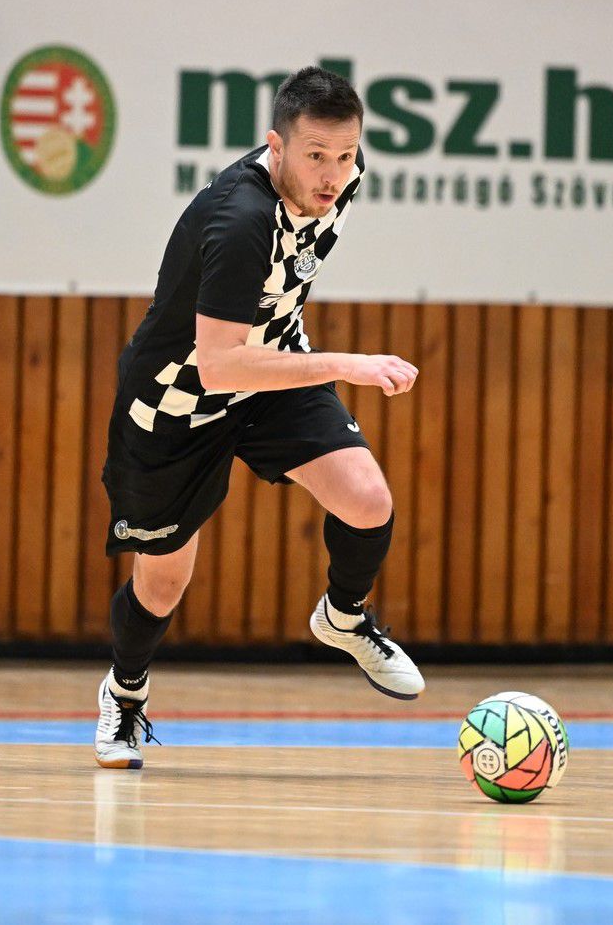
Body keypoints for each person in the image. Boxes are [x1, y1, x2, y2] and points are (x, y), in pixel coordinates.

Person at [93, 65, 424, 770]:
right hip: (179, 398)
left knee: (367, 501)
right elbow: (218, 365)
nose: (333, 174)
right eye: (314, 157)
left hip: (271, 367)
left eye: (344, 155)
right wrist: (348, 364)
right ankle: (124, 696)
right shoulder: (240, 221)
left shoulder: (345, 176)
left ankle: (343, 617)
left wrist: (315, 360)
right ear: (275, 146)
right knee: (164, 580)